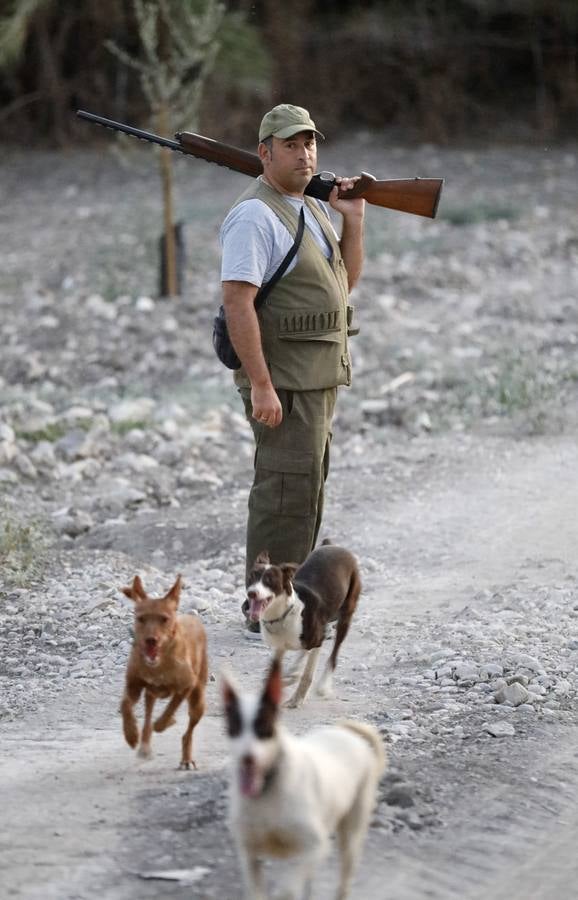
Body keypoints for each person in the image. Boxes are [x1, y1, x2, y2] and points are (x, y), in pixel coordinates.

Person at [219, 103, 365, 632]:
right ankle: (263, 609)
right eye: (291, 145)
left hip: (316, 380)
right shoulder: (256, 215)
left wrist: (355, 219)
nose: (304, 154)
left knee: (305, 492)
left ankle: (290, 598)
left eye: (310, 144)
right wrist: (260, 384)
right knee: (282, 495)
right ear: (264, 152)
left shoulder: (312, 208)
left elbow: (342, 284)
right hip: (282, 382)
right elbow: (238, 301)